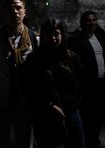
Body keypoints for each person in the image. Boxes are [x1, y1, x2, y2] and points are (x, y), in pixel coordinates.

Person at [0, 0, 38, 148]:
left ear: (24, 11)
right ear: (4, 12)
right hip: (1, 103)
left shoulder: (33, 39)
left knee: (25, 142)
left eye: (18, 8)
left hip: (25, 103)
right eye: (11, 9)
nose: (15, 12)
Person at [34, 18, 85, 148]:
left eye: (56, 34)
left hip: (72, 113)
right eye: (49, 34)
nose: (53, 38)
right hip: (47, 116)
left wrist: (74, 104)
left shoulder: (72, 57)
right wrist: (50, 105)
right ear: (43, 35)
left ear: (62, 35)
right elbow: (31, 87)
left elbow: (81, 83)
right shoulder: (36, 59)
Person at [68, 11, 105, 148]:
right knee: (86, 118)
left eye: (93, 20)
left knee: (98, 117)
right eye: (88, 20)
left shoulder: (101, 38)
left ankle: (94, 141)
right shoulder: (75, 40)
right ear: (82, 23)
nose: (91, 23)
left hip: (101, 86)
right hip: (86, 87)